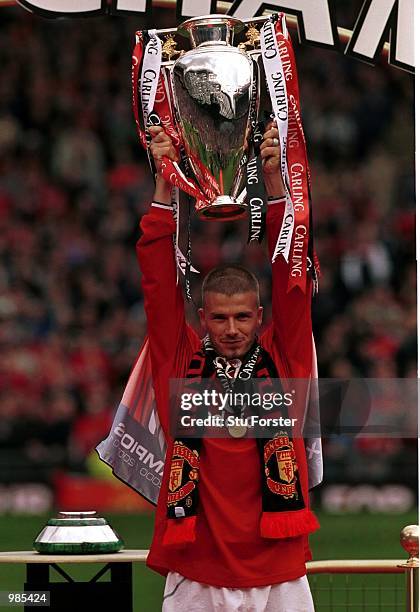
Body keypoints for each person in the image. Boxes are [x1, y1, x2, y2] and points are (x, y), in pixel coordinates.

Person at [137, 123, 319, 611]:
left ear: (260, 317)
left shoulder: (287, 359)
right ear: (203, 319)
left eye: (243, 317)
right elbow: (158, 286)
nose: (232, 328)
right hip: (197, 569)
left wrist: (277, 188)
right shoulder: (179, 361)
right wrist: (163, 182)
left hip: (277, 572)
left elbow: (292, 276)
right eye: (219, 318)